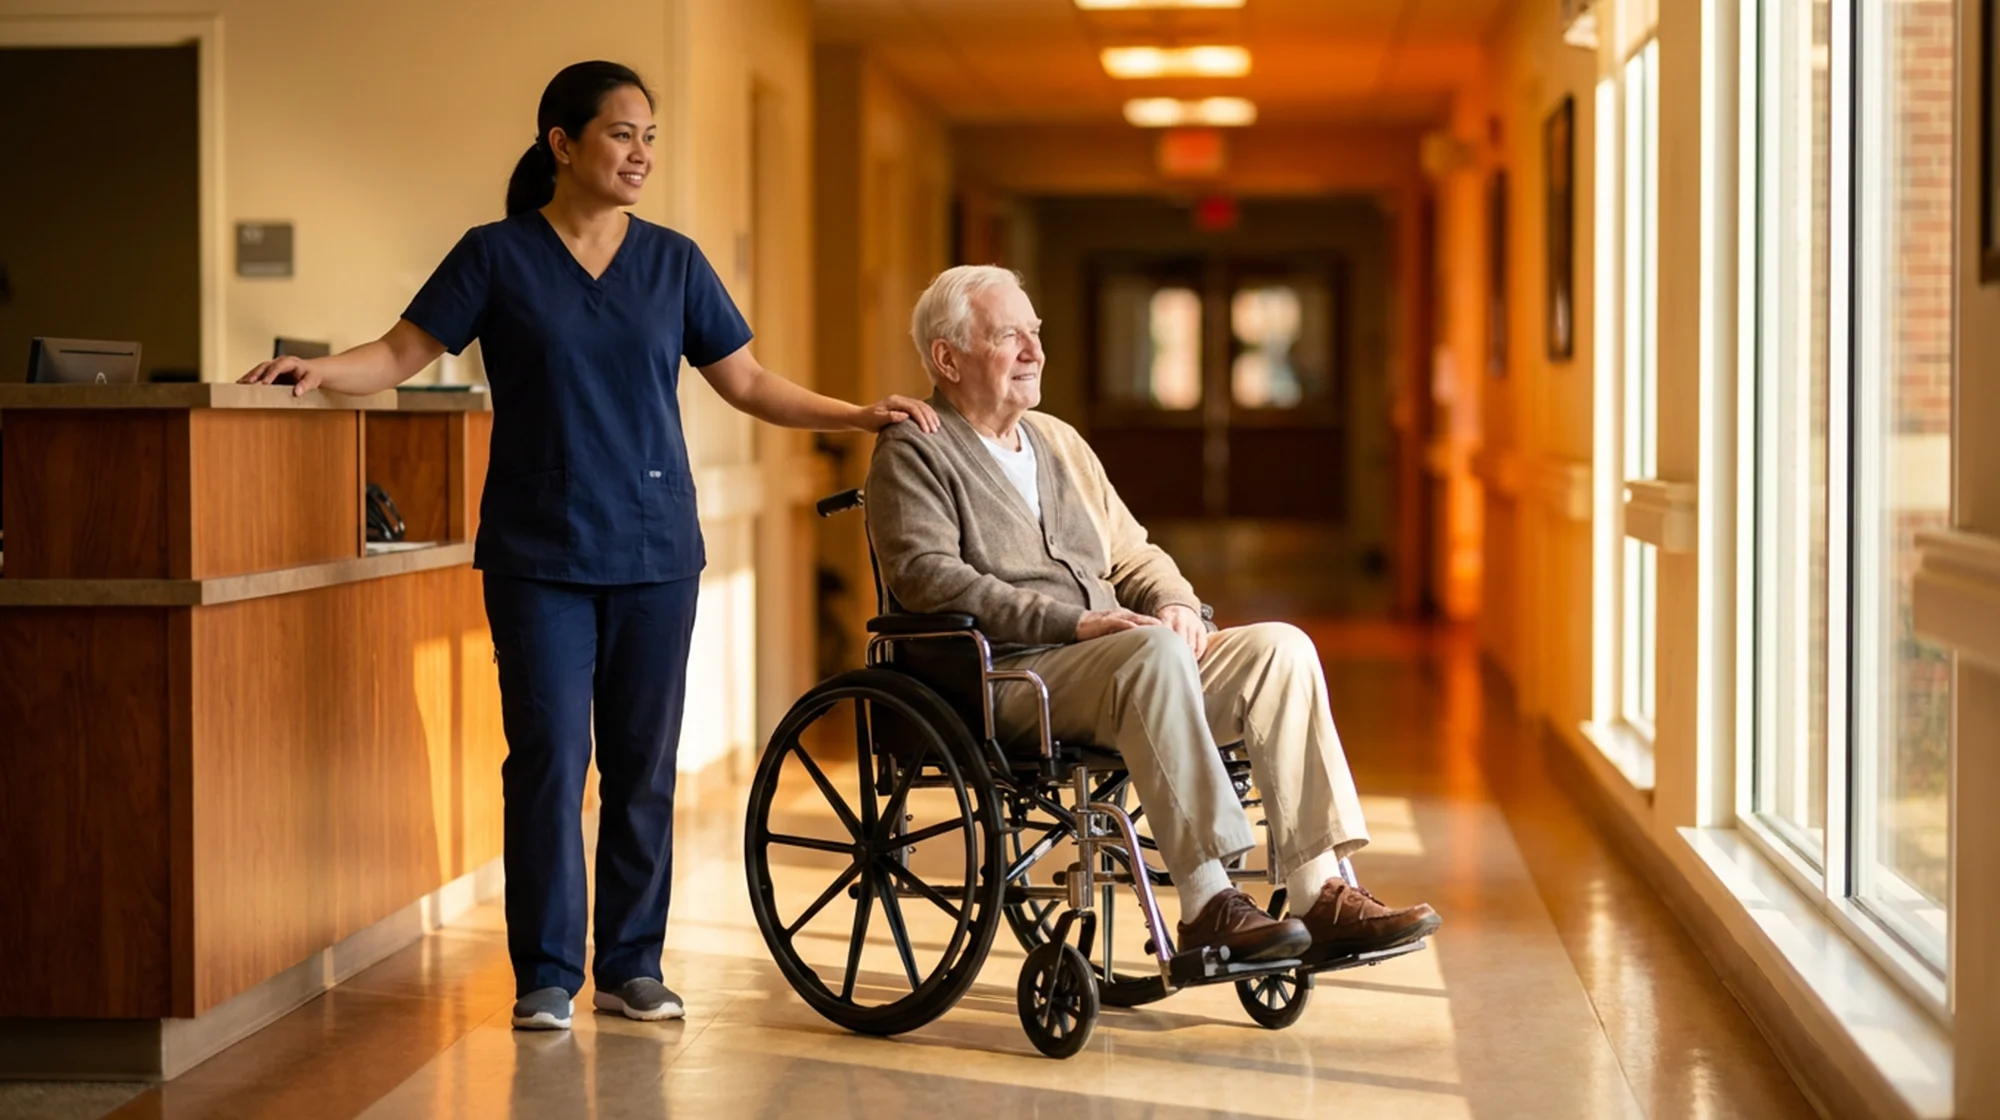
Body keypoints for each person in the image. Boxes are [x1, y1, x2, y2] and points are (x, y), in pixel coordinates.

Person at [240, 61, 938, 1031]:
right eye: (621, 134)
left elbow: (746, 381)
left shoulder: (676, 263)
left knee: (643, 766)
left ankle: (631, 965)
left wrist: (860, 412)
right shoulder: (494, 256)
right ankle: (546, 976)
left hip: (656, 551)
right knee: (548, 760)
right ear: (561, 144)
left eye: (649, 135)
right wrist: (318, 369)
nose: (641, 153)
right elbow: (401, 353)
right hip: (538, 554)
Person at [863, 265, 1440, 966]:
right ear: (946, 357)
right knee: (1151, 653)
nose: (1033, 351)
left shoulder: (1059, 443)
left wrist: (1173, 602)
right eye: (1007, 335)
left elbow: (1134, 551)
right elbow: (929, 578)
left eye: (1035, 334)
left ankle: (1320, 892)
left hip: (1124, 659)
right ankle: (1206, 902)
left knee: (1279, 649)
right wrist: (1072, 624)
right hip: (1012, 678)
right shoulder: (913, 449)